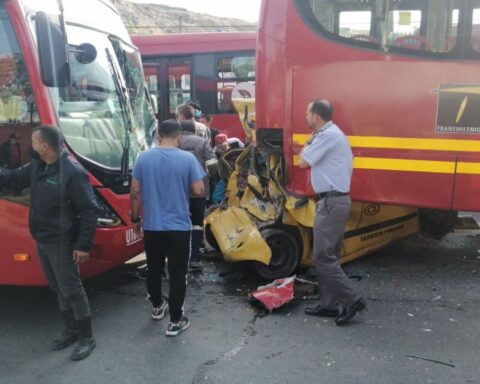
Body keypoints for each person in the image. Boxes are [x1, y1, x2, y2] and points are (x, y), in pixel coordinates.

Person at [0, 125, 99, 359]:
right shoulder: (38, 165)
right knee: (56, 286)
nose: (30, 146)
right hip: (43, 237)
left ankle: (87, 337)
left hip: (62, 241)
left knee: (71, 288)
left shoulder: (72, 172)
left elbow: (88, 210)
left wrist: (83, 245)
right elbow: (12, 179)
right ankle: (71, 329)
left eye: (34, 142)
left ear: (45, 146)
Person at [130, 119, 205, 336]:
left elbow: (134, 192)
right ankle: (175, 321)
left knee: (153, 267)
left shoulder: (143, 158)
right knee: (178, 273)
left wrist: (135, 218)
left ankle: (156, 306)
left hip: (152, 226)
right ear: (179, 137)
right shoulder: (187, 158)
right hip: (179, 227)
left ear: (158, 135)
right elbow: (199, 189)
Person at [298, 99, 366, 326]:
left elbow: (303, 162)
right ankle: (328, 305)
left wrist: (308, 142)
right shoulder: (333, 134)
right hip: (334, 202)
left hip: (330, 203)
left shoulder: (326, 135)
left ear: (316, 115)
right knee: (329, 257)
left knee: (322, 257)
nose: (306, 117)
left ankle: (352, 300)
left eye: (307, 113)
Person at [179, 119, 217, 270]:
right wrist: (208, 177)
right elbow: (213, 164)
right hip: (199, 190)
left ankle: (179, 256)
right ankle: (194, 257)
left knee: (180, 222)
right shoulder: (202, 142)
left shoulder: (176, 142)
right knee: (197, 224)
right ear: (194, 129)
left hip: (179, 189)